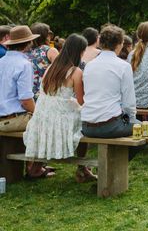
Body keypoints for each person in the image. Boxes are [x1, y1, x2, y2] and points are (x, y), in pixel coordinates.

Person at [23, 34, 96, 183]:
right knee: (84, 123)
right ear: (79, 52)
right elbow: (82, 101)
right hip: (61, 118)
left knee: (66, 118)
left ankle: (36, 167)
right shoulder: (76, 72)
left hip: (43, 116)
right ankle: (83, 168)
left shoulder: (51, 67)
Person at [81, 25, 143, 158]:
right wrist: (130, 120)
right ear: (120, 44)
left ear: (101, 43)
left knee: (130, 123)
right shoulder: (123, 66)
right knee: (146, 130)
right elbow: (129, 104)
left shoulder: (89, 66)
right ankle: (116, 162)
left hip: (87, 125)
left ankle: (111, 161)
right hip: (110, 125)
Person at [0, 26, 52, 178]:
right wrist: (38, 114)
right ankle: (35, 167)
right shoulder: (24, 64)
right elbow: (25, 100)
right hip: (14, 119)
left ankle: (30, 164)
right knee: (47, 123)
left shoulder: (2, 61)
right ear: (28, 43)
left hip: (3, 117)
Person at [26, 22, 59, 97]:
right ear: (46, 35)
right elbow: (60, 71)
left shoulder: (26, 51)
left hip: (29, 94)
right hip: (46, 93)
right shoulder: (50, 51)